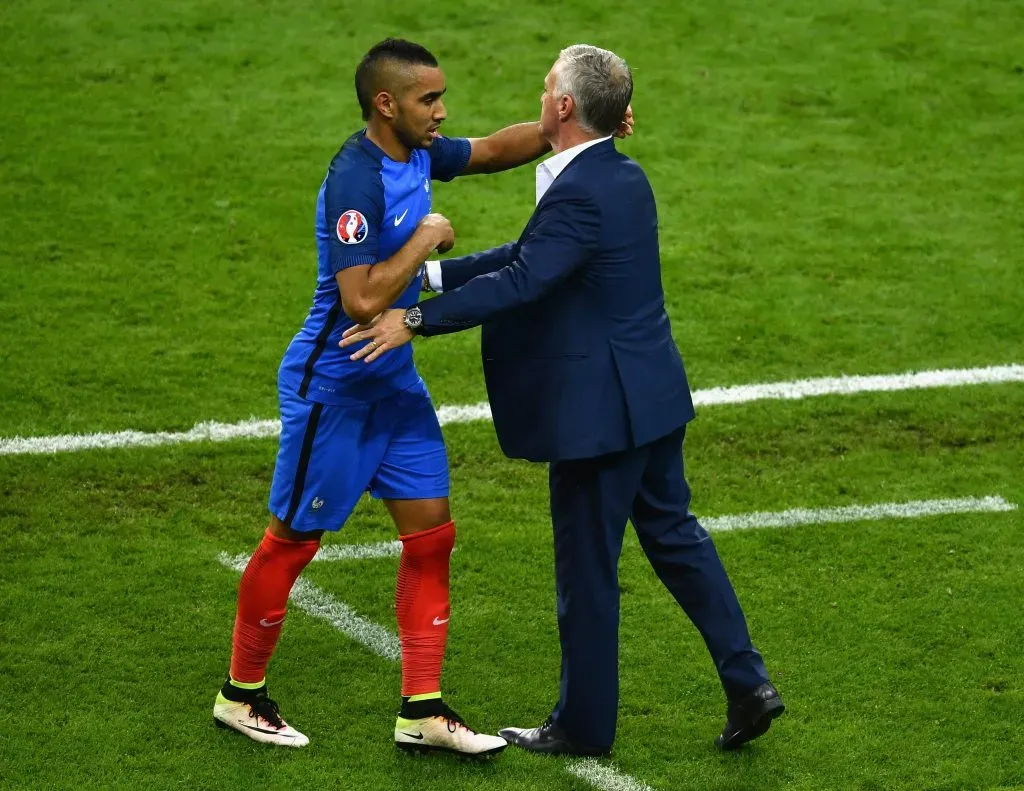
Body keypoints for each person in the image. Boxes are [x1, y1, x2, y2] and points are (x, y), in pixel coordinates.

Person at [340, 44, 784, 756]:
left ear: (566, 107)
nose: (540, 96)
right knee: (677, 540)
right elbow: (531, 254)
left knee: (586, 572)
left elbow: (523, 281)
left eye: (548, 87)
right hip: (654, 397)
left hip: (599, 418)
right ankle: (749, 682)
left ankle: (582, 724)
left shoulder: (577, 190)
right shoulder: (622, 177)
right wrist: (431, 278)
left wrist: (412, 320)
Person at [212, 37, 632, 758]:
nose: (442, 112)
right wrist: (428, 236)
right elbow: (360, 297)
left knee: (432, 539)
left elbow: (493, 150)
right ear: (387, 104)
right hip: (335, 388)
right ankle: (240, 696)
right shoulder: (356, 180)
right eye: (428, 100)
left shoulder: (417, 152)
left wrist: (582, 126)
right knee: (293, 541)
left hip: (394, 387)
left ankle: (423, 710)